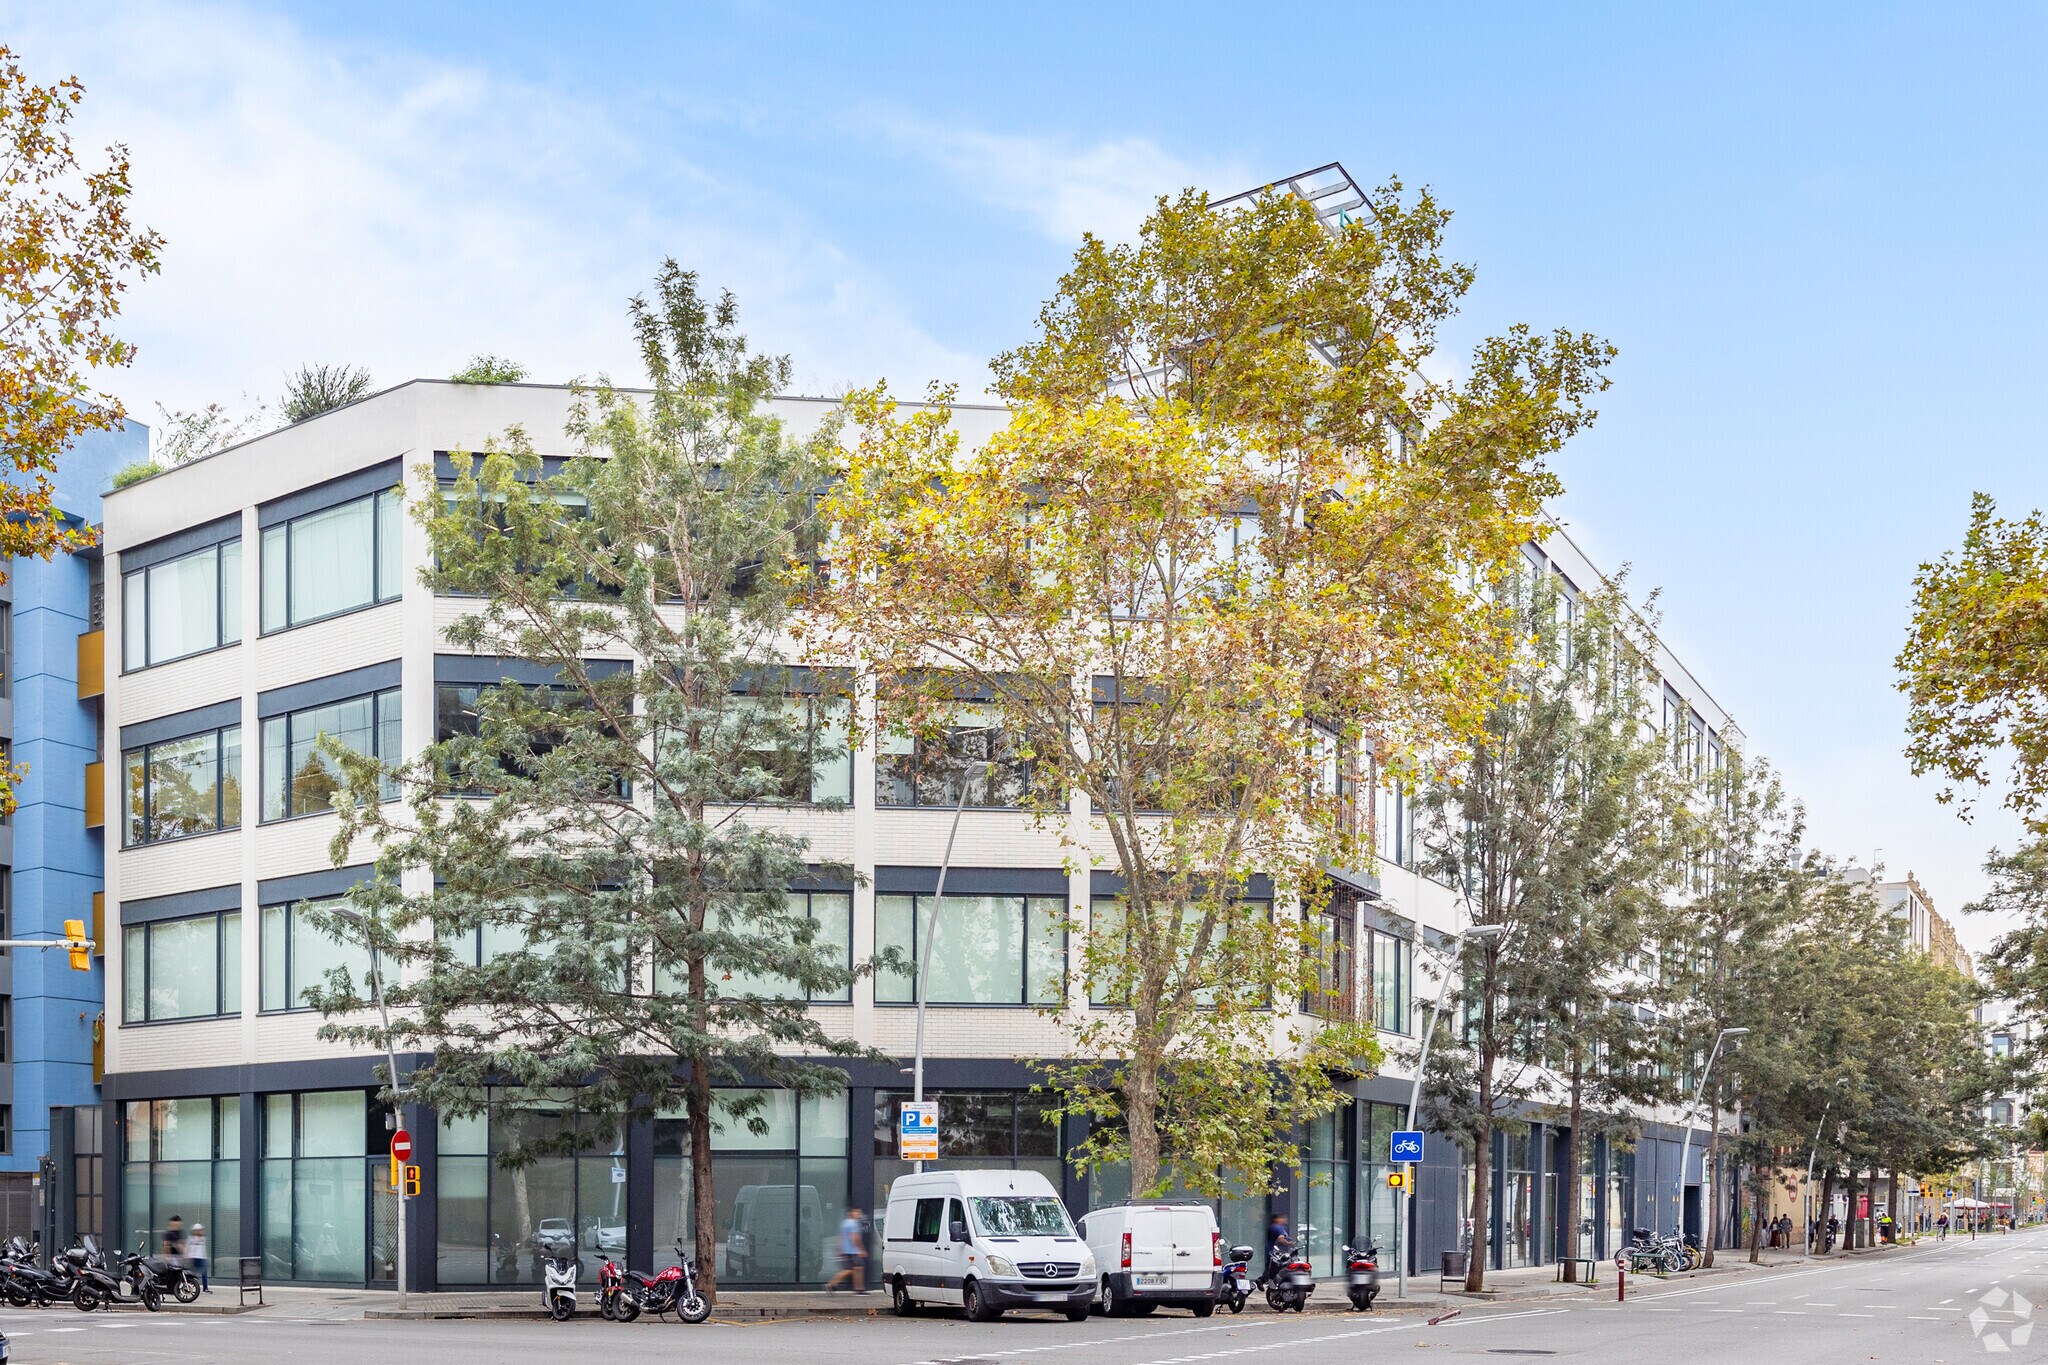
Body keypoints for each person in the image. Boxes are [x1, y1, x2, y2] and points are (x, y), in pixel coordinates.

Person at [824, 1207, 868, 1293]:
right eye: (856, 1212)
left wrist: (840, 1249)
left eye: (859, 1212)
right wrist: (861, 1249)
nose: (858, 1214)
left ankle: (858, 1289)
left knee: (855, 1269)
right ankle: (832, 1284)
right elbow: (855, 1238)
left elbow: (841, 1237)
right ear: (851, 1213)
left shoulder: (844, 1223)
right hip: (854, 1251)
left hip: (847, 1250)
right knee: (855, 1269)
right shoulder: (853, 1224)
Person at [1263, 1213, 1292, 1284]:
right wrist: (1289, 1243)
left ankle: (1264, 1281)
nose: (1284, 1220)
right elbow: (1280, 1239)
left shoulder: (1273, 1227)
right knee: (1277, 1268)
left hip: (1271, 1251)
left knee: (1270, 1268)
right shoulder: (1277, 1227)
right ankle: (1263, 1280)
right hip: (1277, 1253)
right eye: (1281, 1218)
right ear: (1276, 1219)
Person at [187, 1222, 210, 1293]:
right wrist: (189, 1256)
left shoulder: (203, 1238)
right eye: (198, 1230)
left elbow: (203, 1249)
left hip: (202, 1258)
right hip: (194, 1258)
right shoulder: (191, 1238)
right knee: (191, 1273)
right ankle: (190, 1286)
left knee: (204, 1274)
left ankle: (205, 1288)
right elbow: (189, 1247)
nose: (200, 1231)